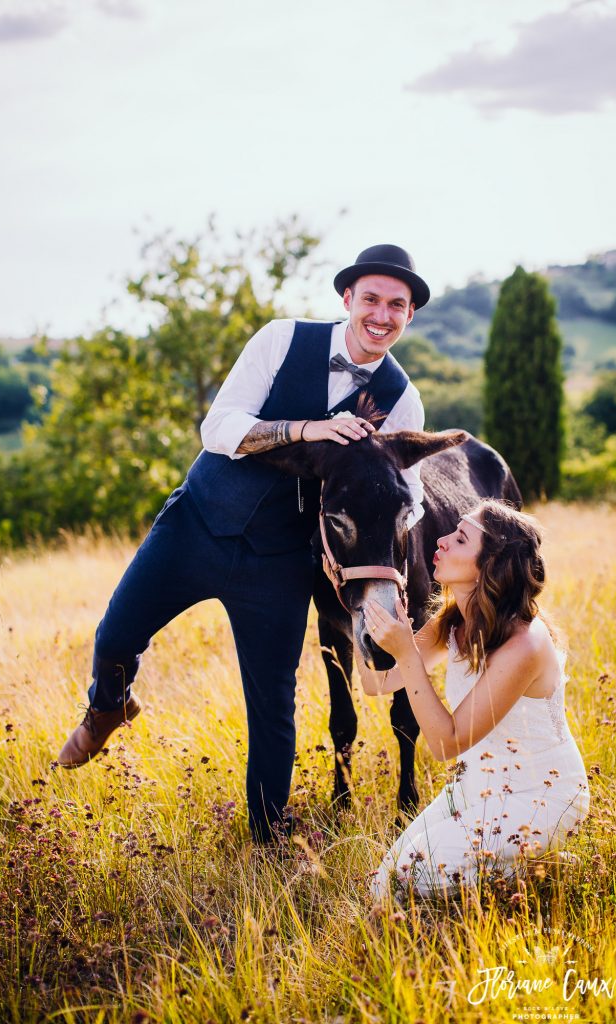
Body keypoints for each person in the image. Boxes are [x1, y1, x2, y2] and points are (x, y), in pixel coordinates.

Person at [57, 244, 431, 844]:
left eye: (397, 305)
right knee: (115, 636)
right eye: (371, 299)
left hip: (281, 561)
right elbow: (219, 426)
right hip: (198, 526)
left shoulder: (401, 397)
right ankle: (107, 708)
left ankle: (270, 835)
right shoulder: (282, 339)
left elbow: (402, 491)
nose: (381, 315)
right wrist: (307, 429)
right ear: (347, 300)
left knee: (273, 703)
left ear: (409, 315)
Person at [366, 499, 589, 899]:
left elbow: (445, 743)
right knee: (384, 882)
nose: (442, 540)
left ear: (490, 564)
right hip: (478, 789)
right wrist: (359, 608)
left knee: (407, 879)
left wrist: (406, 652)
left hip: (540, 795)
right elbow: (377, 682)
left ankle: (535, 864)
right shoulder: (453, 621)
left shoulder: (526, 644)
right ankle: (525, 863)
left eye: (461, 538)